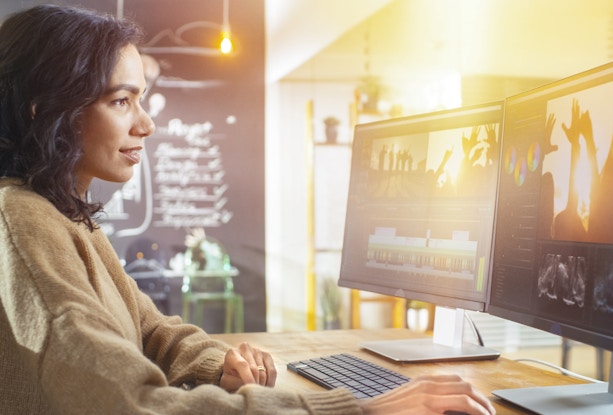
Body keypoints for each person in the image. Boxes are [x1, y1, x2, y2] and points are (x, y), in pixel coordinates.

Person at [0, 4, 496, 415]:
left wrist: (217, 364)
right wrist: (361, 410)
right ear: (44, 110)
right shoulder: (24, 221)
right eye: (122, 101)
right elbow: (133, 404)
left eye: (141, 99)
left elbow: (150, 331)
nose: (147, 124)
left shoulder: (65, 215)